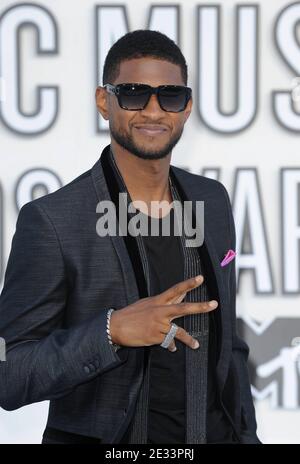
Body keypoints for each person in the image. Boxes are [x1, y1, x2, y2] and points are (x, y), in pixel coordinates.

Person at [0, 30, 260, 444]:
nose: (154, 111)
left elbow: (229, 344)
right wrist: (112, 330)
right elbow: (10, 374)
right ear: (105, 101)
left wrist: (247, 434)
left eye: (170, 96)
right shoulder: (53, 221)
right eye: (135, 94)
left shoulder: (211, 200)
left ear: (187, 107)